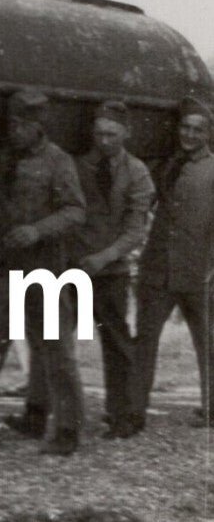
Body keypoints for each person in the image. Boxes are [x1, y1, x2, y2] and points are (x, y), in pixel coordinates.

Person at [0, 88, 86, 457]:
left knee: (56, 351)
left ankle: (68, 430)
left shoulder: (59, 162)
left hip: (43, 269)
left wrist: (37, 230)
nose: (15, 130)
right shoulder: (0, 156)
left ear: (39, 127)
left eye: (23, 125)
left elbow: (75, 210)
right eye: (11, 123)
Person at [72, 101, 154, 437]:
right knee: (54, 337)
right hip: (75, 267)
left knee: (117, 343)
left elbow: (135, 230)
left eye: (112, 134)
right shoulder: (77, 166)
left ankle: (124, 415)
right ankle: (44, 411)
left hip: (111, 271)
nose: (104, 140)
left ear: (126, 133)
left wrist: (104, 257)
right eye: (99, 133)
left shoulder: (137, 173)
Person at [135, 95, 214, 428]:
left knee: (207, 341)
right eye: (185, 128)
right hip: (159, 268)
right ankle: (133, 410)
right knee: (145, 339)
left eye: (197, 130)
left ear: (208, 133)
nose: (190, 135)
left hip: (200, 271)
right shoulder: (166, 165)